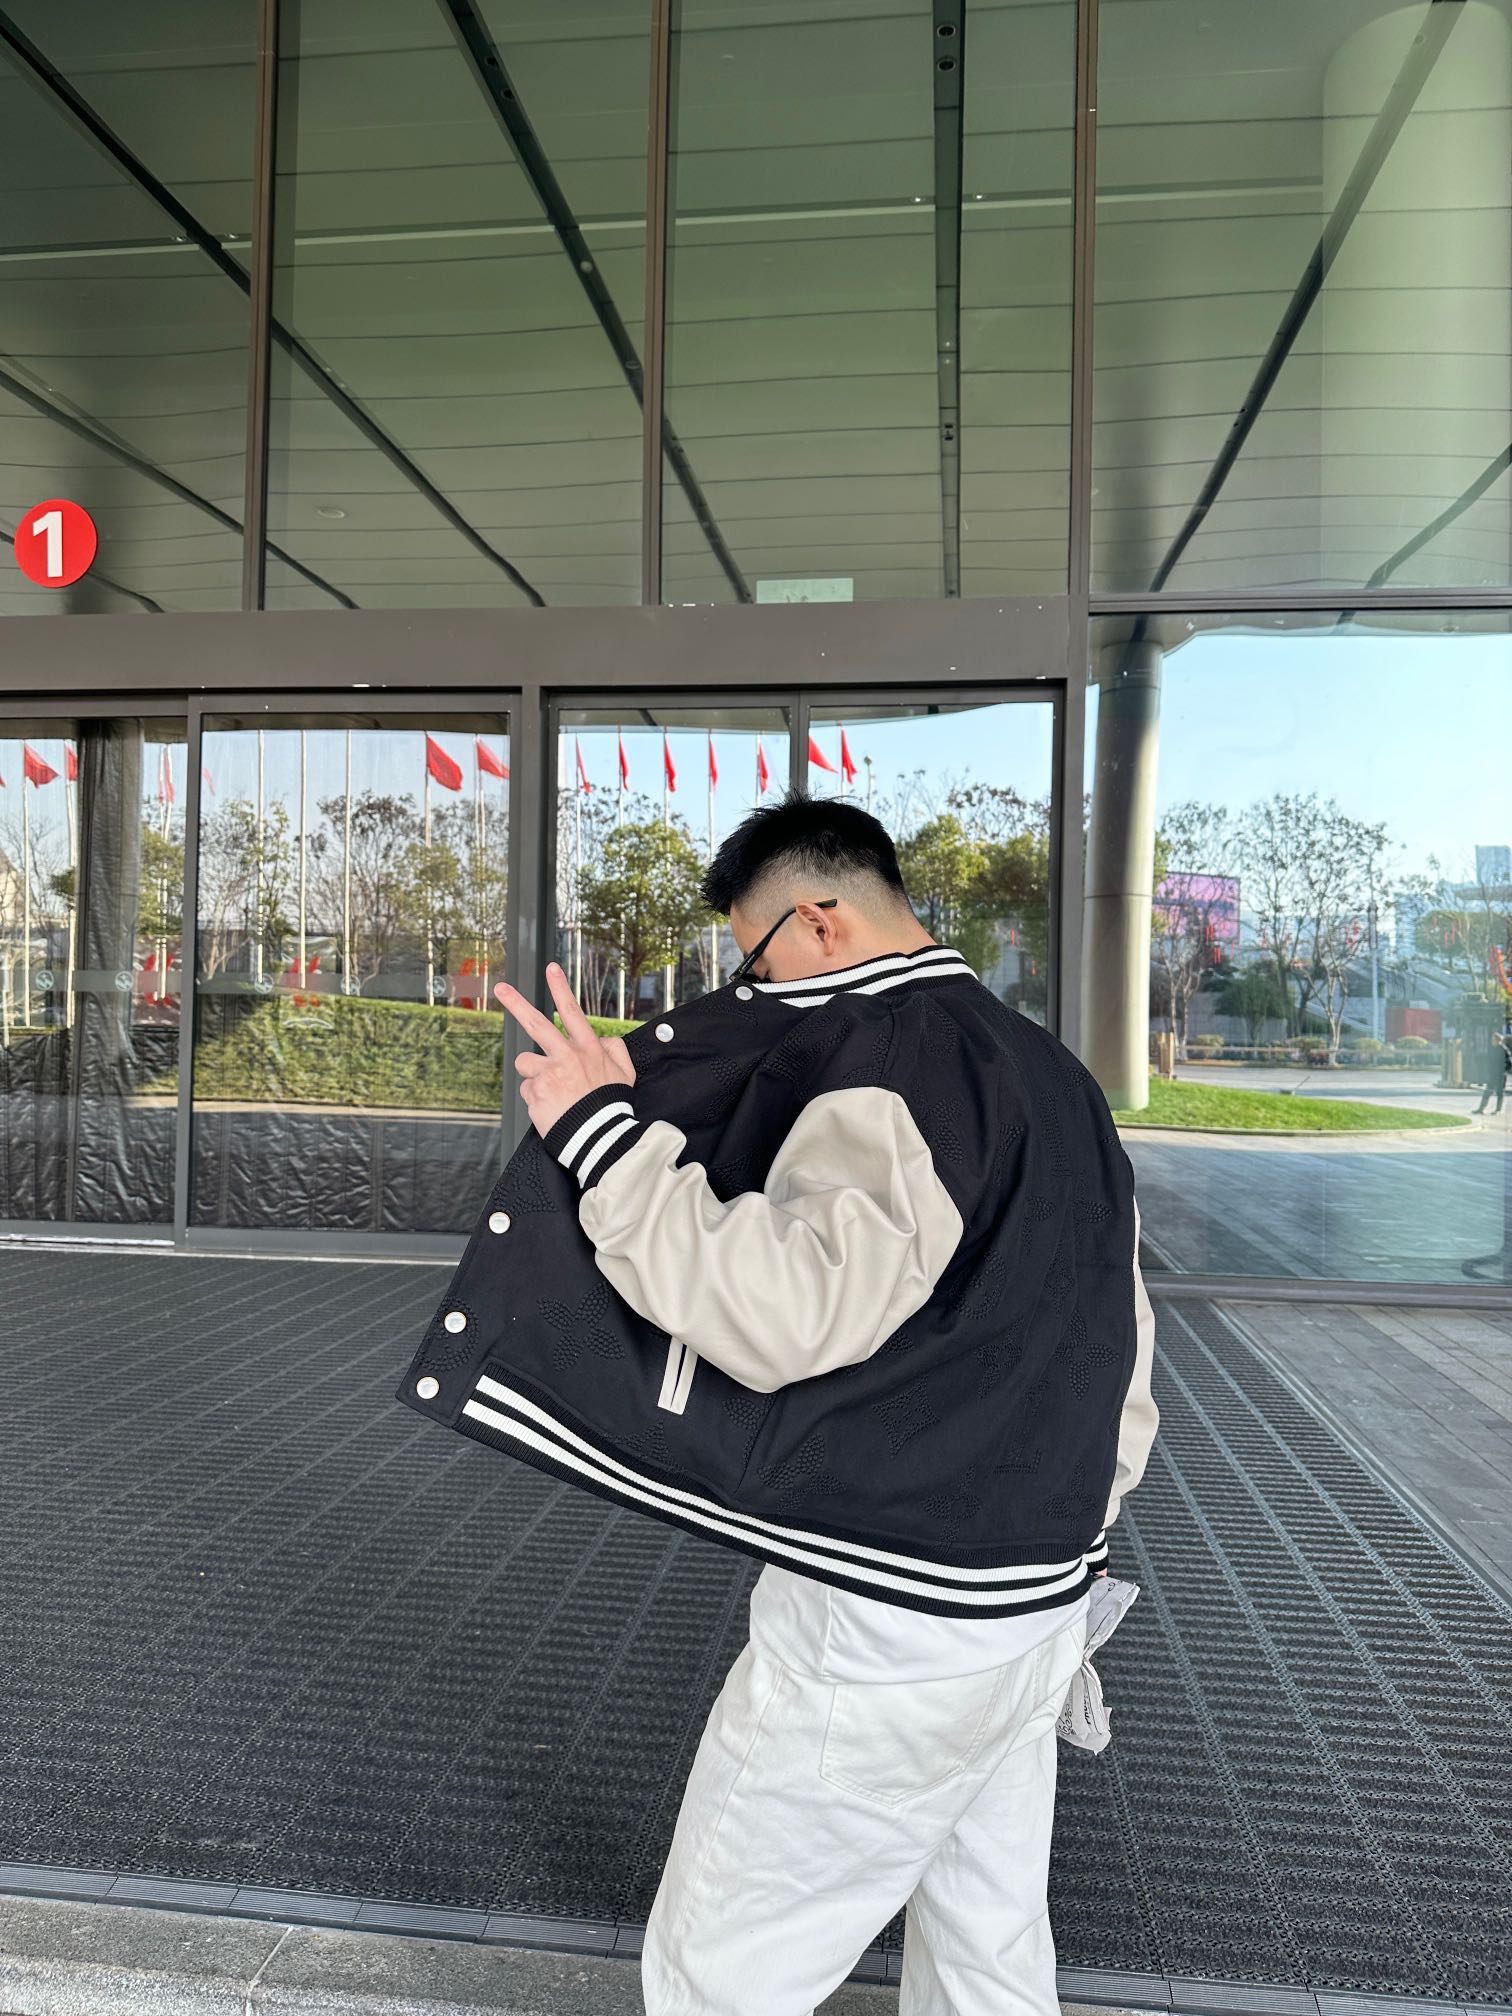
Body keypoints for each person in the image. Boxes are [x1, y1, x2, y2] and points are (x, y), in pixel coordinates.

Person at [407, 791, 1159, 2016]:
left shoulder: (894, 1058)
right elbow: (1121, 1353)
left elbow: (787, 1311)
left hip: (890, 1622)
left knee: (723, 1972)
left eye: (752, 960)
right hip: (1038, 1603)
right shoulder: (1052, 1074)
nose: (752, 990)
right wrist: (1070, 1538)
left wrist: (601, 1137)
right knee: (989, 1957)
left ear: (817, 920)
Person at [1475, 1030, 1511, 1115]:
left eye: (1493, 1040)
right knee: (1487, 1091)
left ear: (1498, 1040)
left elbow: (1509, 1063)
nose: (1492, 1041)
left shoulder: (1504, 1050)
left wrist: (1503, 1071)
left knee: (1499, 1092)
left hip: (1500, 1075)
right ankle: (1481, 1109)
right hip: (1492, 1075)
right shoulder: (1492, 1049)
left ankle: (1498, 1110)